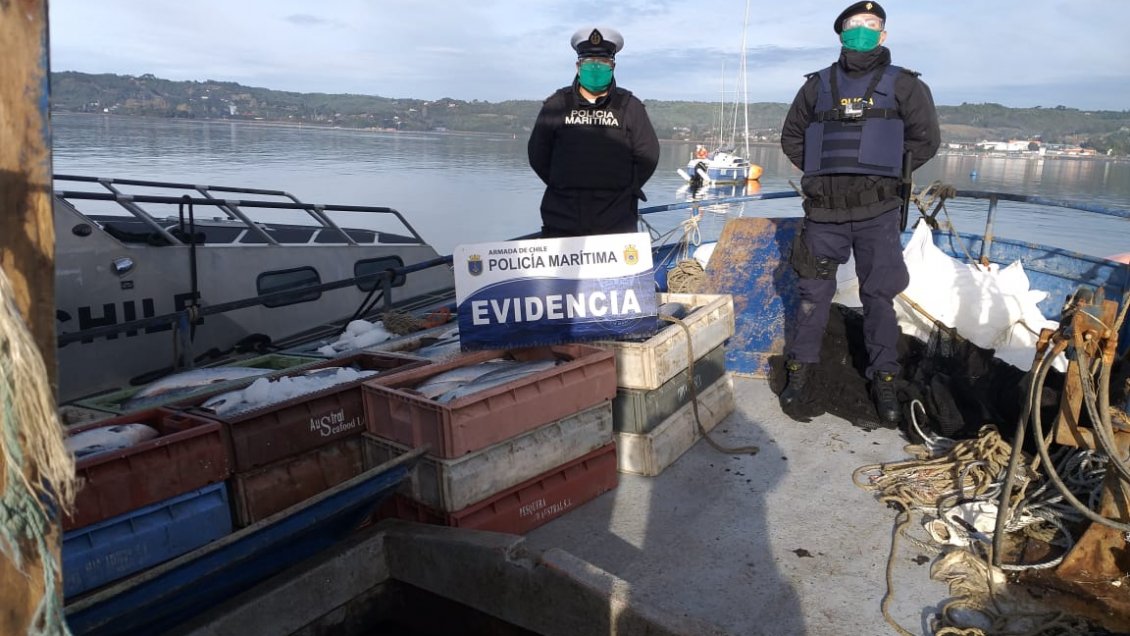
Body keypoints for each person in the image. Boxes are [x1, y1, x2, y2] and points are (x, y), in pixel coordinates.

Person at [777, 1, 940, 424]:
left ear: (883, 35)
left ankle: (884, 379)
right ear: (841, 34)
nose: (863, 31)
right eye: (855, 26)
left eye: (872, 25)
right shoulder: (816, 86)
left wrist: (883, 173)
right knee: (813, 297)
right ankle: (800, 371)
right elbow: (793, 136)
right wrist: (820, 171)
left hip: (878, 213)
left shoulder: (905, 85)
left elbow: (925, 140)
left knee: (878, 298)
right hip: (823, 213)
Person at [528, 26, 660, 237]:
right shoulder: (556, 105)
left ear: (613, 66)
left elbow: (648, 156)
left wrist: (624, 189)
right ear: (578, 66)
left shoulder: (630, 107)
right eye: (590, 62)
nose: (596, 67)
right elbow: (538, 156)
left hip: (616, 220)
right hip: (562, 217)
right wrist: (563, 183)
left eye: (603, 62)